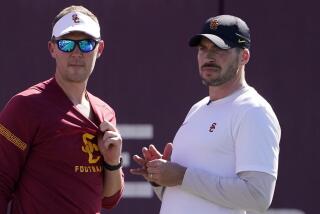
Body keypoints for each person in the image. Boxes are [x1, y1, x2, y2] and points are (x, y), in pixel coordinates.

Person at [131, 15, 281, 214]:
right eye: (203, 48)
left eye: (219, 49)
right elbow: (188, 195)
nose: (209, 56)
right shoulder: (198, 109)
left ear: (244, 56)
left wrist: (182, 176)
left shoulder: (254, 110)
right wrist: (161, 177)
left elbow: (258, 196)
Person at [0, 5, 124, 214]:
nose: (76, 52)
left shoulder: (105, 112)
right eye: (66, 44)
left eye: (86, 44)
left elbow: (109, 199)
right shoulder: (25, 106)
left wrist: (112, 163)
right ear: (52, 48)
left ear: (99, 49)